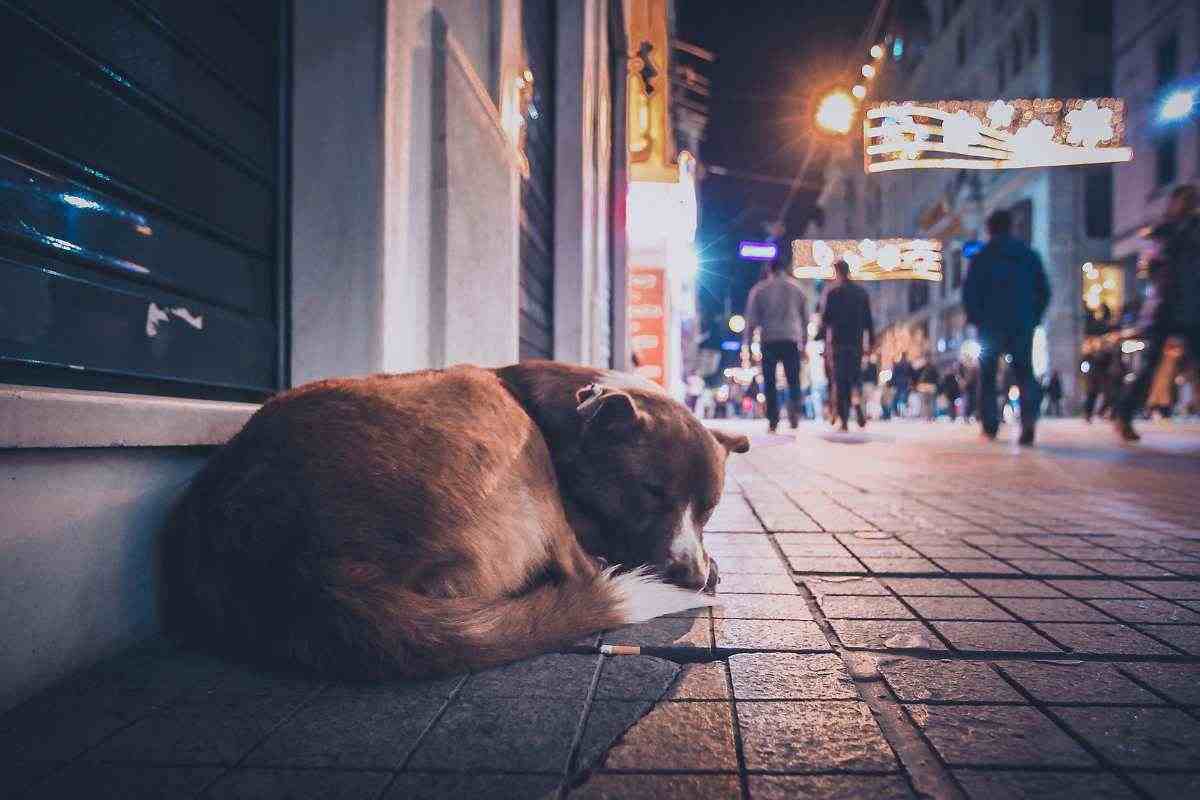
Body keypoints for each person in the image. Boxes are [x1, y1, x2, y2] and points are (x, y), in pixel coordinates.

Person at [1114, 184, 1200, 440]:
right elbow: (1149, 270)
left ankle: (1124, 415)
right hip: (1168, 308)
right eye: (1183, 200)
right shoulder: (1162, 232)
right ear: (1173, 203)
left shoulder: (1193, 229)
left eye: (1191, 200)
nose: (1187, 205)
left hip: (1194, 306)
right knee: (1149, 366)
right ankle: (1124, 415)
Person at [963, 209, 1051, 445]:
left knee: (988, 375)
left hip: (990, 325)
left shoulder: (982, 257)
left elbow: (970, 293)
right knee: (1025, 374)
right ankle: (1029, 421)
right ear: (1011, 227)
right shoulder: (1028, 255)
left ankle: (990, 425)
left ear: (990, 229)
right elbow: (1044, 289)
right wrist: (1034, 317)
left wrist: (975, 318)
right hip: (1021, 323)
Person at [744, 253, 808, 433]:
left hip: (769, 340)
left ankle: (773, 419)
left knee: (770, 381)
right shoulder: (798, 289)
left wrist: (748, 348)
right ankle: (794, 412)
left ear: (768, 270)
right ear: (784, 268)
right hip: (791, 339)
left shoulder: (759, 290)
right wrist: (804, 343)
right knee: (793, 379)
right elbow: (805, 319)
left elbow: (751, 322)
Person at [817, 259, 875, 431]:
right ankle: (857, 405)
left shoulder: (832, 292)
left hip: (838, 344)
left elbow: (825, 319)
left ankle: (843, 420)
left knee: (841, 381)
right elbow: (868, 320)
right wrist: (871, 340)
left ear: (836, 271)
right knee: (855, 378)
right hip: (856, 342)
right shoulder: (861, 292)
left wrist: (820, 340)